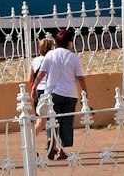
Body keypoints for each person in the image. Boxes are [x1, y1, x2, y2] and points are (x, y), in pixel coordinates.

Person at [28, 28, 83, 161]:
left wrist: (34, 87)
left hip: (48, 93)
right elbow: (80, 77)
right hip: (67, 93)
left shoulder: (42, 59)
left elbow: (37, 75)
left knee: (48, 120)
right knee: (64, 121)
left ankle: (49, 143)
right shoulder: (72, 57)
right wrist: (84, 92)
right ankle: (60, 149)